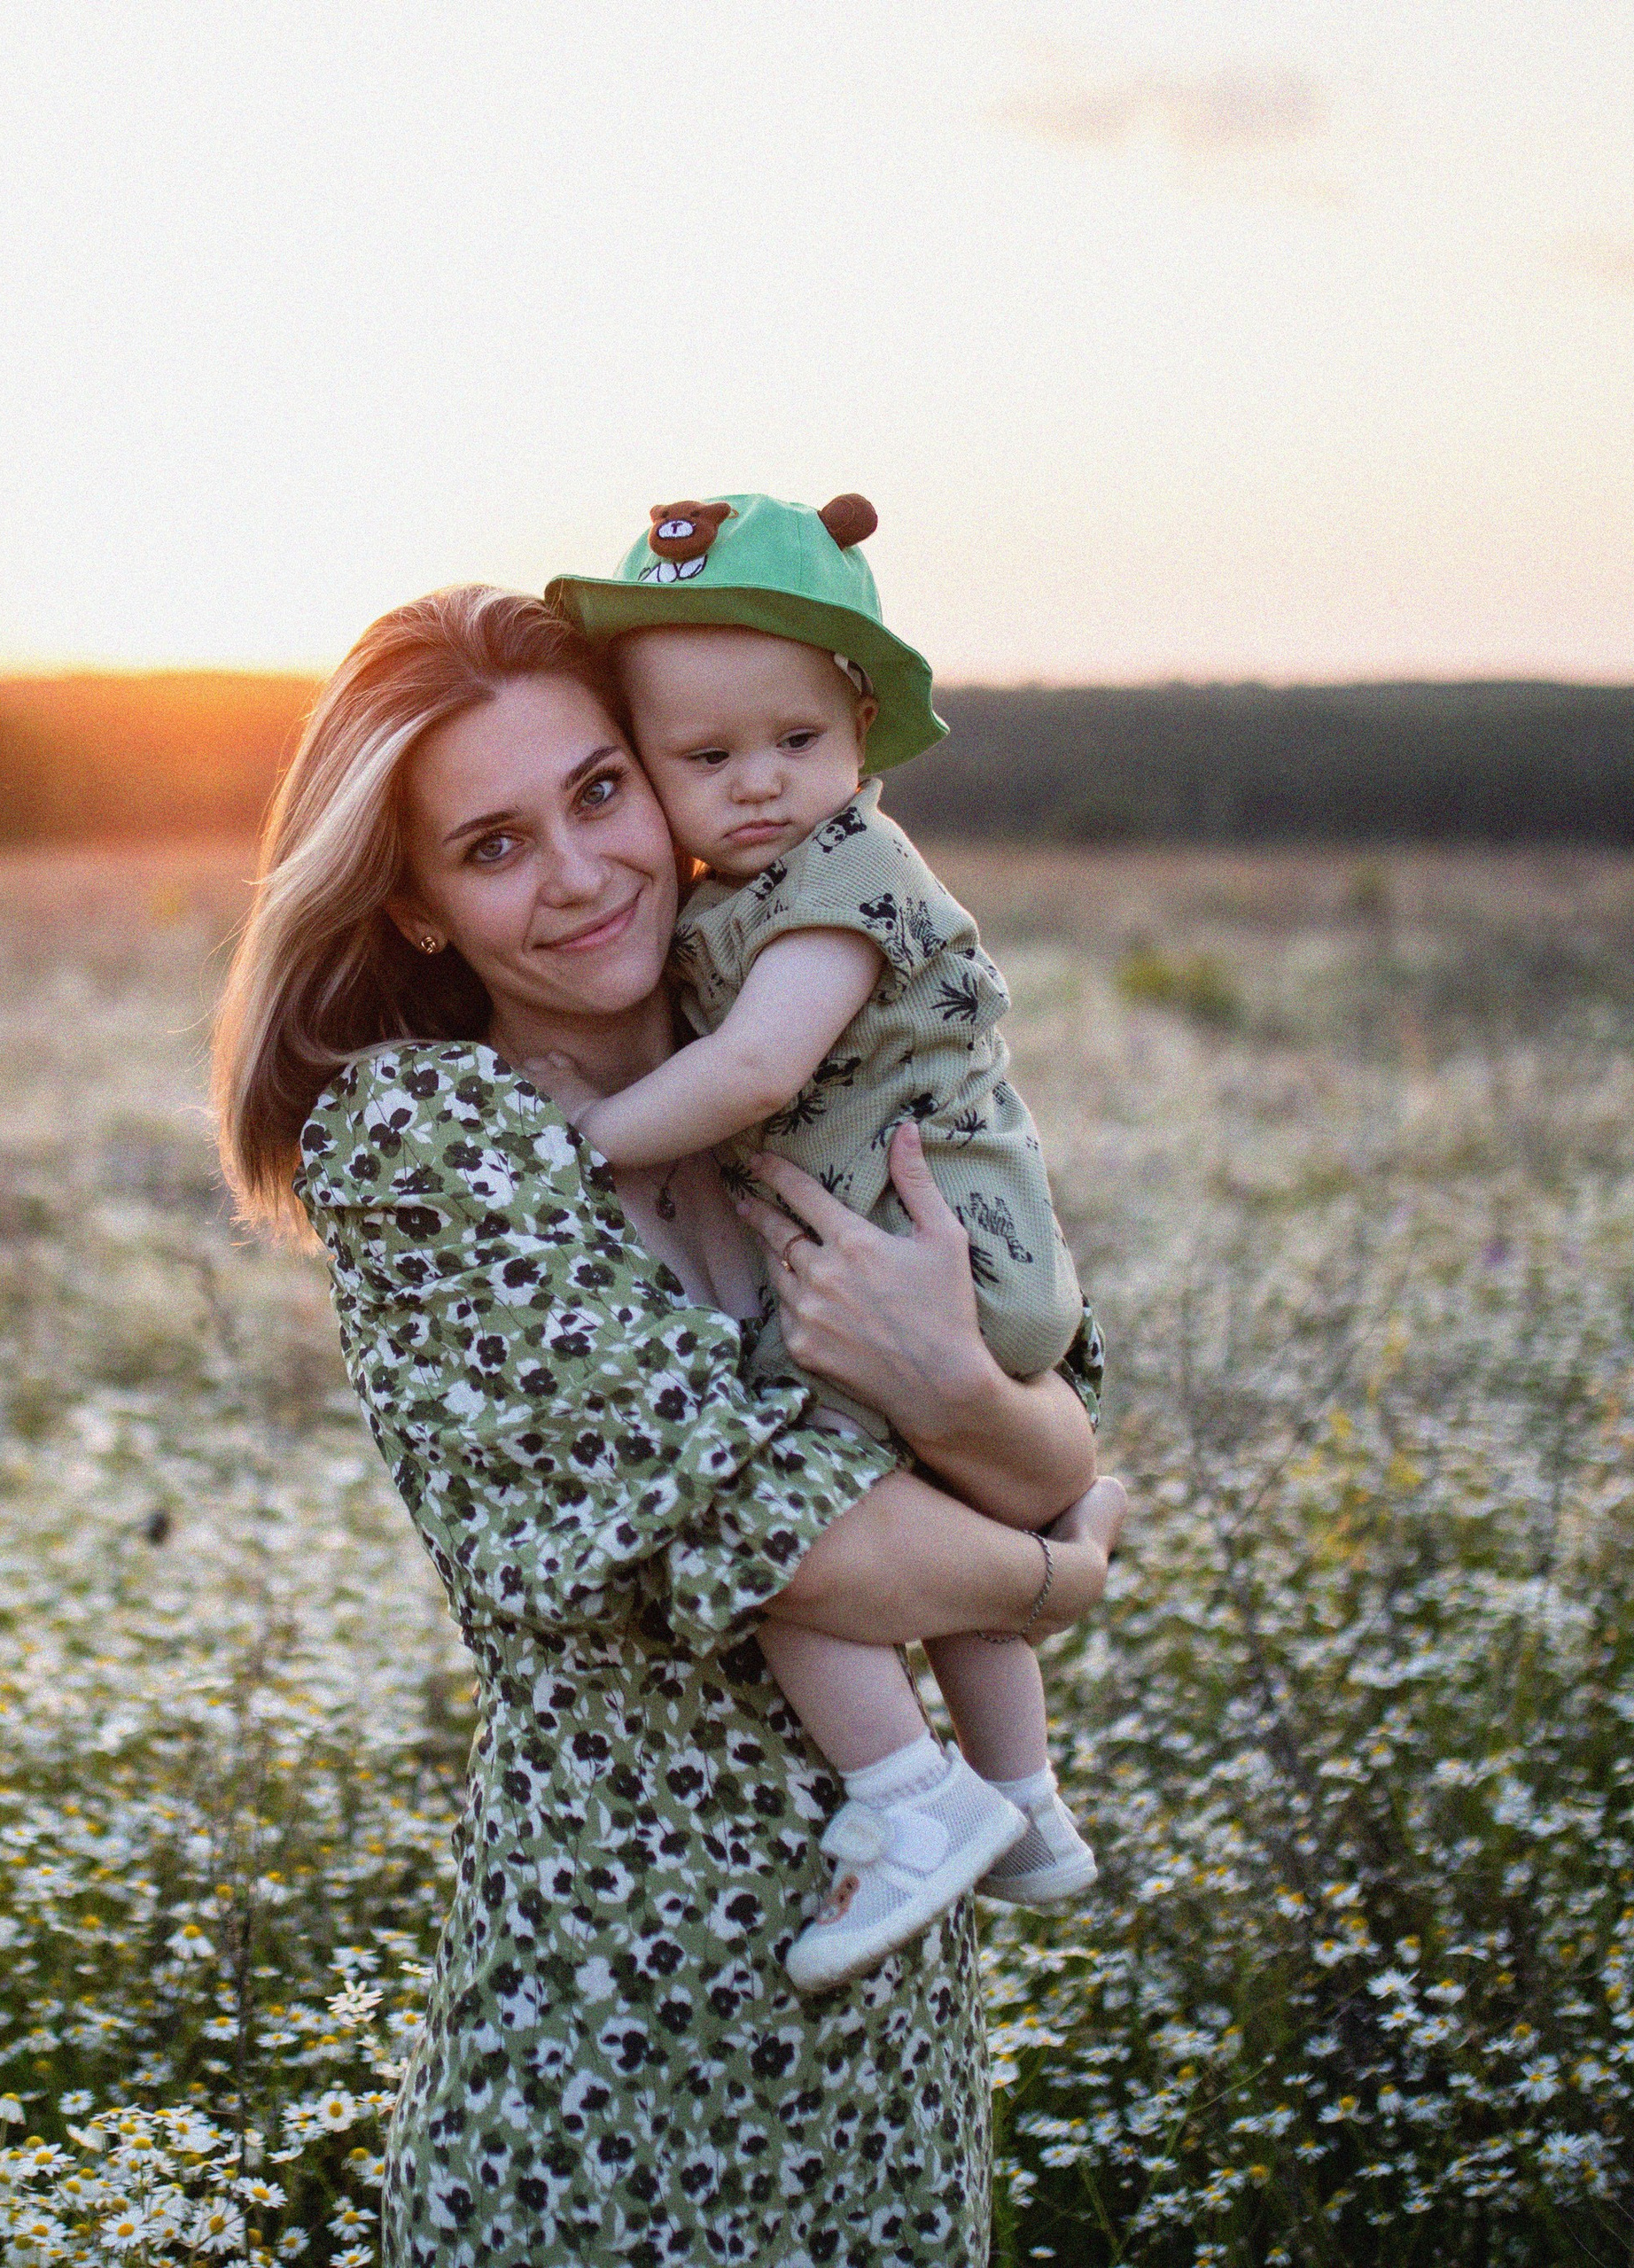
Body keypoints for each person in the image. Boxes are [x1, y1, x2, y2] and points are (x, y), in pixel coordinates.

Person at [212, 584, 1125, 2265]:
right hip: (620, 2064)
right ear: (410, 905)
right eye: (490, 848)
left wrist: (962, 1401)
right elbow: (814, 1540)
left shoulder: (790, 1052)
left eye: (599, 792)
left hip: (888, 2056)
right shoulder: (439, 1144)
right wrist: (1057, 1580)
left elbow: (1062, 1427)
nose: (578, 872)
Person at [542, 493, 1098, 1988]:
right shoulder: (768, 887)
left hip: (927, 1265)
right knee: (933, 1512)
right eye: (704, 760)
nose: (758, 787)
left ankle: (907, 1795)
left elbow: (753, 1075)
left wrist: (573, 1146)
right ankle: (1031, 1804)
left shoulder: (848, 877)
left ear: (860, 722)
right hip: (973, 1274)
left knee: (784, 1522)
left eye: (793, 741)